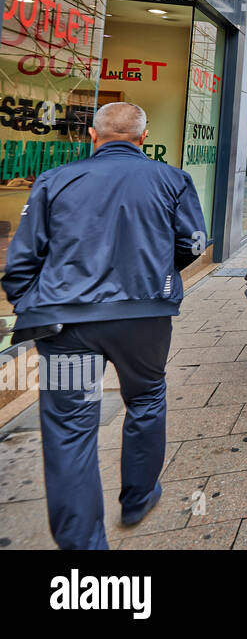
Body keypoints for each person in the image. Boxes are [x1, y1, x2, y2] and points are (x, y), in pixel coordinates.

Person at [1, 102, 206, 549]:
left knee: (70, 425)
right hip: (143, 320)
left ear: (92, 137)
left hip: (68, 326)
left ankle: (82, 543)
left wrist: (31, 302)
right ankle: (137, 498)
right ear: (142, 136)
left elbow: (21, 261)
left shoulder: (56, 180)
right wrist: (161, 276)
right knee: (147, 398)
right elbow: (193, 241)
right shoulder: (171, 179)